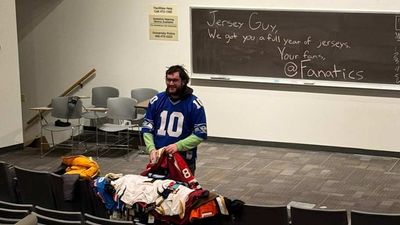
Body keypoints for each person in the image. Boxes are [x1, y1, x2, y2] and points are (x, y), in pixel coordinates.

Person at [141, 65, 207, 174]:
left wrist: (178, 146)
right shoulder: (156, 100)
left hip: (183, 160)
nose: (171, 83)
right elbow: (147, 129)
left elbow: (199, 135)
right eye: (168, 80)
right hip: (159, 158)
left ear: (183, 81)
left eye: (175, 80)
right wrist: (151, 149)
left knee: (183, 190)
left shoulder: (194, 104)